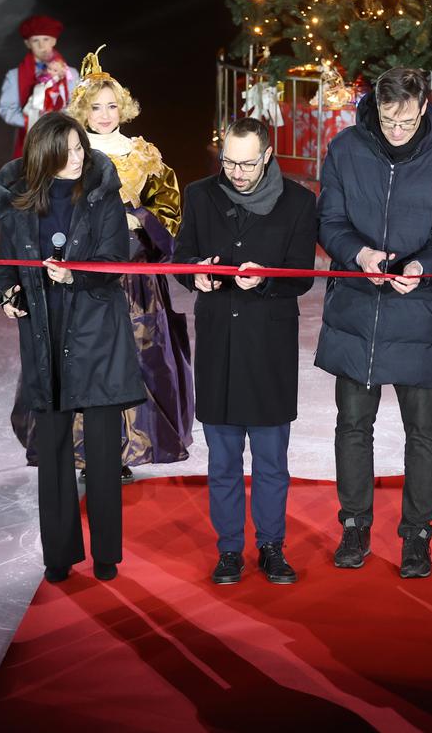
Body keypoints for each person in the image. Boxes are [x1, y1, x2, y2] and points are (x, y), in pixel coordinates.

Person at [316, 66, 432, 579]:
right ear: (375, 109)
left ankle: (416, 534)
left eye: (407, 121)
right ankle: (355, 523)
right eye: (388, 121)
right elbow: (330, 223)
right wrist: (358, 254)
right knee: (353, 426)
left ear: (424, 106)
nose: (397, 131)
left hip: (420, 311)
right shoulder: (344, 150)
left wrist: (422, 268)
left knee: (424, 430)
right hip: (357, 311)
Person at [0, 111, 143, 583]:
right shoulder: (17, 205)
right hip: (44, 336)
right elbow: (7, 264)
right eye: (67, 152)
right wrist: (9, 295)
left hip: (97, 335)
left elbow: (117, 262)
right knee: (52, 451)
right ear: (43, 157)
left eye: (80, 148)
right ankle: (58, 555)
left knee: (100, 453)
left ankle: (106, 556)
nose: (78, 158)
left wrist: (76, 272)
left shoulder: (102, 194)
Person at [29, 46, 191, 480]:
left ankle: (123, 450)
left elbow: (171, 217)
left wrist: (135, 217)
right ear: (81, 109)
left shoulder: (144, 155)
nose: (104, 114)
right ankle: (83, 449)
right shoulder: (68, 153)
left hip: (134, 279)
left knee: (135, 360)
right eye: (96, 107)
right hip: (82, 276)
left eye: (112, 105)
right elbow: (45, 209)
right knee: (84, 358)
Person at [173, 117, 317, 586]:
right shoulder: (199, 195)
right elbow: (180, 260)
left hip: (268, 349)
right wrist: (194, 273)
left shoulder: (299, 202)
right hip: (218, 345)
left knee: (273, 461)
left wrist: (267, 277)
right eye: (229, 162)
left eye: (246, 163)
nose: (236, 172)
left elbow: (303, 274)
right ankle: (230, 549)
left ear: (268, 155)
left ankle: (272, 546)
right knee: (222, 460)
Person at [0, 15, 80, 159]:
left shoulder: (70, 73)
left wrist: (61, 120)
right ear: (27, 43)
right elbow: (6, 109)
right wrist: (32, 120)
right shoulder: (14, 76)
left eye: (46, 39)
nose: (42, 46)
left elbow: (78, 105)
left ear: (54, 41)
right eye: (36, 40)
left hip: (66, 139)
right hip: (32, 139)